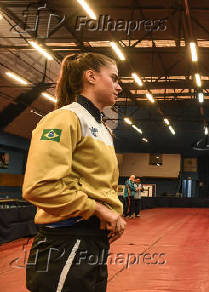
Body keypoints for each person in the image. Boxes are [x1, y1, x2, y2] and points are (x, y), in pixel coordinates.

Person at [22, 52, 125, 292]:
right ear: (91, 76)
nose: (119, 87)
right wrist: (98, 209)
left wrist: (112, 214)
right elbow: (40, 186)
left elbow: (96, 186)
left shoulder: (102, 128)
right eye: (114, 78)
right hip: (66, 241)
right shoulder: (64, 118)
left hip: (92, 241)